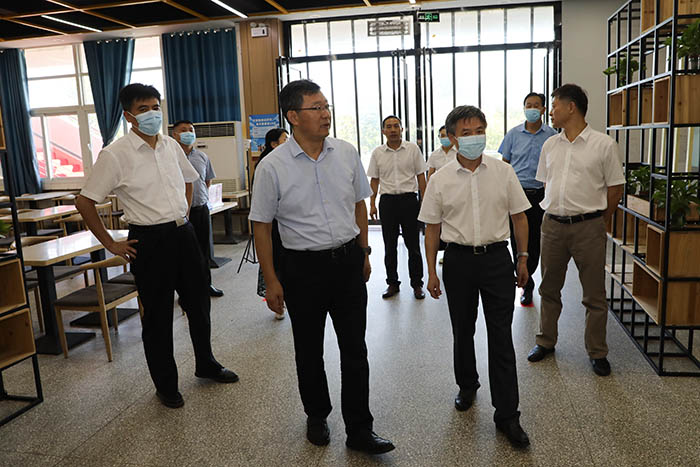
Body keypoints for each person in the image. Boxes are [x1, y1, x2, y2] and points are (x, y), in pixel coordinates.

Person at [249, 79, 394, 455]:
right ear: (293, 116)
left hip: (346, 262)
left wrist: (364, 252)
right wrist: (271, 280)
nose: (325, 114)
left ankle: (360, 428)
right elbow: (261, 226)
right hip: (302, 269)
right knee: (309, 348)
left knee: (355, 348)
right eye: (316, 108)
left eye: (326, 106)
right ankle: (316, 415)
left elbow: (359, 205)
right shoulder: (272, 166)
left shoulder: (345, 153)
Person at [76, 83, 239, 409]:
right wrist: (111, 243)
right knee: (158, 316)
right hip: (149, 240)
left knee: (199, 305)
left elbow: (189, 180)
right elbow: (85, 201)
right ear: (128, 116)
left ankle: (206, 363)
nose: (151, 114)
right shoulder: (115, 154)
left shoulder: (170, 145)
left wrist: (184, 215)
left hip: (183, 234)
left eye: (155, 107)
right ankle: (166, 384)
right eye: (143, 109)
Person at [419, 105, 531, 449]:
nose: (474, 137)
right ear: (452, 138)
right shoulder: (439, 179)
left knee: (501, 335)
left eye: (479, 130)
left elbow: (520, 218)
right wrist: (431, 272)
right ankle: (467, 385)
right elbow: (432, 229)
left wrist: (523, 258)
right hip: (458, 262)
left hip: (497, 259)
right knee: (463, 329)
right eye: (466, 133)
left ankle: (507, 414)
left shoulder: (503, 172)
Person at [527, 84, 624, 377]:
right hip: (552, 226)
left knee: (594, 294)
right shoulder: (550, 145)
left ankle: (597, 352)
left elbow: (615, 189)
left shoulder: (603, 144)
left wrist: (600, 220)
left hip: (588, 227)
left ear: (571, 107)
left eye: (554, 106)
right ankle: (545, 341)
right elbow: (547, 183)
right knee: (548, 288)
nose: (549, 112)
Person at [498, 92, 558, 306]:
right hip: (517, 192)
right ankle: (526, 284)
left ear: (543, 109)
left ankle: (527, 273)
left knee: (536, 241)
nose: (532, 109)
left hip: (541, 194)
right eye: (528, 105)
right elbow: (504, 164)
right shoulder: (513, 134)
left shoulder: (552, 136)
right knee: (517, 239)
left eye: (536, 105)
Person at [367, 116, 427, 300]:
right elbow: (374, 180)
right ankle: (392, 283)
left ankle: (417, 284)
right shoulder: (377, 153)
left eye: (396, 126)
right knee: (389, 245)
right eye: (389, 127)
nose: (393, 130)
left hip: (409, 201)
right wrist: (372, 203)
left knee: (413, 246)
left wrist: (425, 202)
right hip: (388, 203)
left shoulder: (412, 149)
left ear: (402, 129)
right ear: (383, 131)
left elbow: (421, 177)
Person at [171, 119, 224, 298]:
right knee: (183, 253)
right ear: (175, 134)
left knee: (204, 250)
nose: (188, 132)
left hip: (200, 209)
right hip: (180, 213)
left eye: (191, 129)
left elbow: (207, 180)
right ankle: (186, 291)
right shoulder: (170, 157)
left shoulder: (202, 156)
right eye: (183, 130)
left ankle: (206, 285)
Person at [254, 127, 288, 320]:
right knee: (275, 262)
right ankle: (278, 304)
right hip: (272, 224)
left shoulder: (289, 163)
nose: (288, 143)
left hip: (287, 224)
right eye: (284, 140)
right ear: (273, 144)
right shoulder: (265, 166)